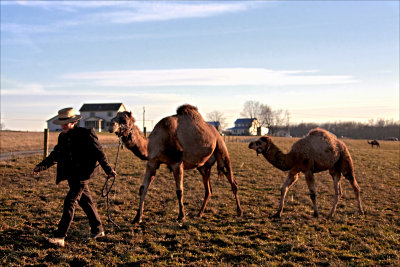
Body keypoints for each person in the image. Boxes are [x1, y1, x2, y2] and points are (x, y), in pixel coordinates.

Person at [32, 107, 116, 247]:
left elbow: (99, 152)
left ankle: (60, 236)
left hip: (83, 174)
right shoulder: (62, 136)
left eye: (67, 122)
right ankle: (98, 230)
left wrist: (108, 170)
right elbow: (56, 155)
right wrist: (40, 167)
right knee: (86, 202)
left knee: (70, 202)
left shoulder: (87, 133)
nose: (64, 125)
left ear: (74, 121)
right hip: (71, 174)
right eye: (62, 123)